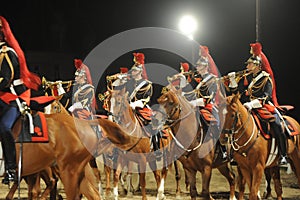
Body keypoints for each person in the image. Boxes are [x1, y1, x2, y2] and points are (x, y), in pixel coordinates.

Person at [227, 42, 288, 165]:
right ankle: (234, 154)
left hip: (264, 106)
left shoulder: (266, 78)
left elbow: (266, 96)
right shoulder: (249, 79)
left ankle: (283, 155)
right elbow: (238, 95)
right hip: (249, 107)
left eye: (250, 64)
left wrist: (252, 104)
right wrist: (233, 81)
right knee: (234, 122)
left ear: (258, 65)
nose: (247, 66)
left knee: (277, 124)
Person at [0, 16, 41, 184]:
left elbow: (6, 79)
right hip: (2, 98)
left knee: (3, 127)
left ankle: (10, 168)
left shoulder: (6, 53)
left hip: (13, 98)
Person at [182, 45, 227, 160]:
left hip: (209, 106)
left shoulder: (212, 79)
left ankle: (222, 150)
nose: (197, 67)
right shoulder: (199, 80)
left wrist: (193, 103)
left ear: (205, 67)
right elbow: (194, 93)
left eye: (200, 66)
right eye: (197, 66)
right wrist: (183, 96)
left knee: (216, 124)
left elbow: (208, 98)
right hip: (197, 106)